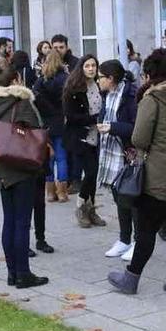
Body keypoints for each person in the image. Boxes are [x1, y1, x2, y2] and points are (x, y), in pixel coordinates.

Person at [107, 48, 166, 295]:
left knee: (147, 229)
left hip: (159, 175)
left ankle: (131, 279)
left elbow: (139, 138)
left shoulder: (152, 99)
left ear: (148, 74)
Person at [0, 56, 49, 288]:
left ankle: (12, 272)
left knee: (9, 220)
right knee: (22, 222)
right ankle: (23, 273)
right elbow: (37, 130)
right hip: (22, 164)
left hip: (2, 164)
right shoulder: (22, 102)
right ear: (17, 78)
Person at [96, 60, 138, 261]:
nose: (98, 80)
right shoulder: (107, 94)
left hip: (127, 154)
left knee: (131, 199)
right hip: (109, 153)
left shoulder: (130, 95)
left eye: (100, 77)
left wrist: (112, 127)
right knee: (118, 198)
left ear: (111, 79)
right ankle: (124, 239)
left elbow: (136, 127)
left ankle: (138, 240)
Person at [63, 55, 105, 228]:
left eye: (93, 65)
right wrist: (94, 119)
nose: (91, 69)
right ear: (81, 68)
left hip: (98, 137)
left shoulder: (99, 85)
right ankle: (81, 206)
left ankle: (91, 208)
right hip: (81, 137)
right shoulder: (73, 89)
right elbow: (71, 117)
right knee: (90, 173)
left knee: (93, 176)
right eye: (87, 66)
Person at [33, 50, 69, 202]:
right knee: (61, 157)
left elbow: (35, 99)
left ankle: (49, 192)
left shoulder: (41, 80)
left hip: (45, 122)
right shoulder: (64, 79)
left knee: (48, 158)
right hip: (61, 121)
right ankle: (62, 192)